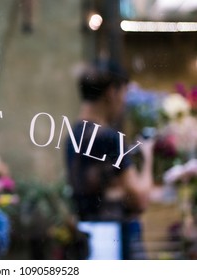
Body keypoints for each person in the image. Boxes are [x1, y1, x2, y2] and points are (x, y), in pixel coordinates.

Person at [64, 61, 154, 259]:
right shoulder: (109, 138)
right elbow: (140, 199)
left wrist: (118, 190)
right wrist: (148, 158)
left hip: (89, 240)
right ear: (112, 92)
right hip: (115, 240)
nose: (124, 102)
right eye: (124, 93)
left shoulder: (74, 136)